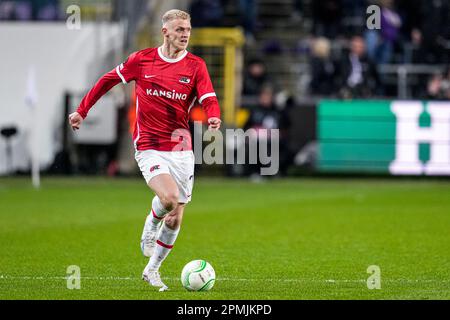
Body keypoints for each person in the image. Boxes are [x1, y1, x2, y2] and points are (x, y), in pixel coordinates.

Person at [68, 9, 221, 291]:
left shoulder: (195, 65)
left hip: (181, 148)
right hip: (149, 145)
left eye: (187, 29)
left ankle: (152, 270)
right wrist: (82, 110)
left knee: (175, 217)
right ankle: (150, 225)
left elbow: (209, 96)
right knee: (169, 198)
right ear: (165, 32)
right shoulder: (142, 60)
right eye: (179, 30)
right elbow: (107, 80)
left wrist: (213, 114)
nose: (185, 34)